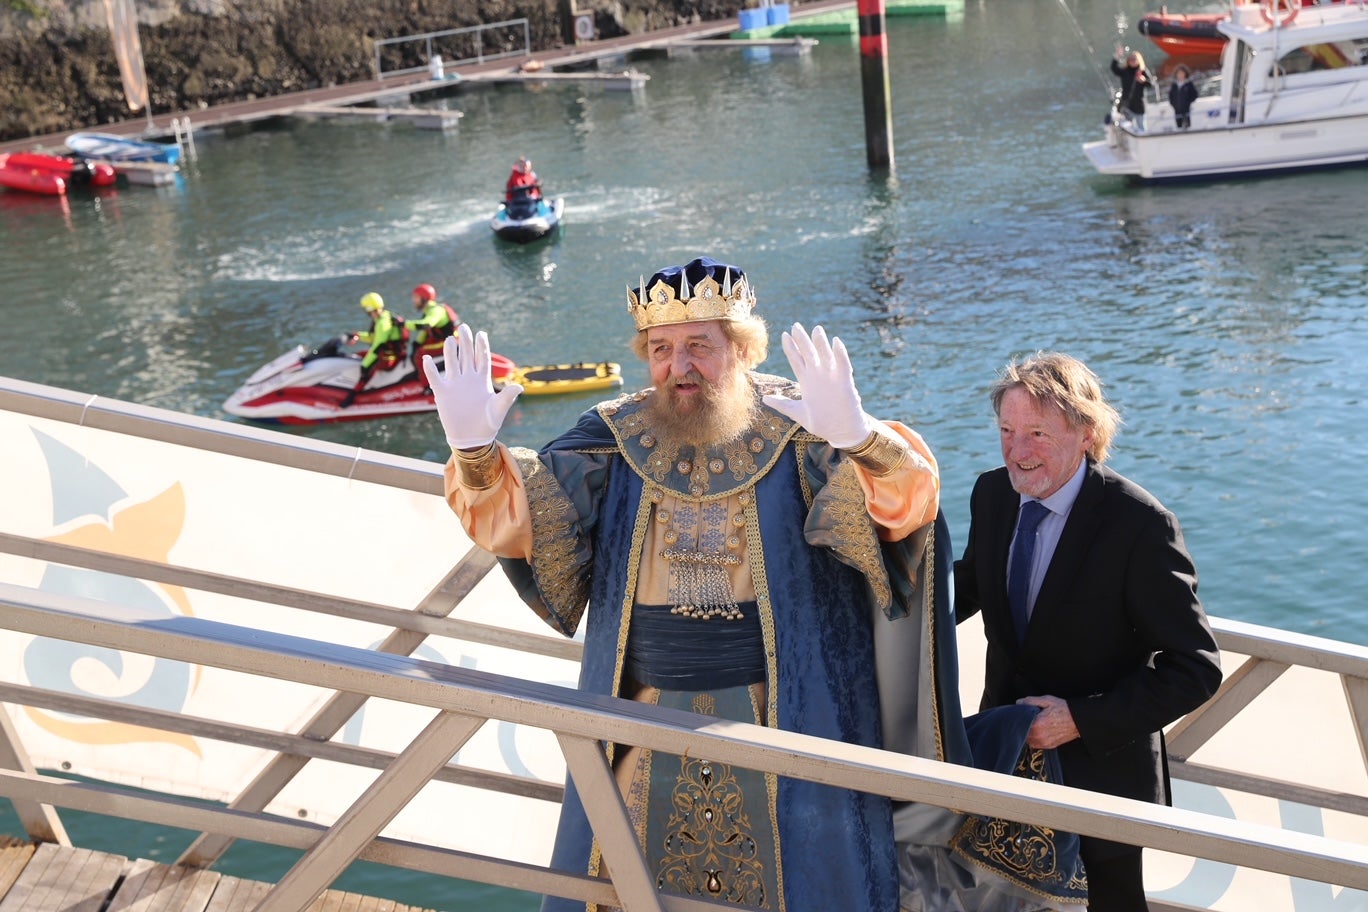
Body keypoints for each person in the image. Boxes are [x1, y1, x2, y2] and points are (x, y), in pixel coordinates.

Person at [425, 256, 957, 912]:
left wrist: (860, 438)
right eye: (661, 349)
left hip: (783, 714)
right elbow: (526, 522)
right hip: (644, 713)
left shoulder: (803, 427)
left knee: (797, 881)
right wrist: (475, 450)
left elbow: (907, 506)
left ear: (741, 350)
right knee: (629, 882)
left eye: (699, 347)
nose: (679, 366)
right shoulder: (613, 436)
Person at [954, 352, 1223, 911]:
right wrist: (877, 608)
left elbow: (1195, 669)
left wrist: (1077, 719)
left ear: (1086, 434)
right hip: (1006, 760)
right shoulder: (992, 493)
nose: (1017, 452)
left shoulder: (1142, 526)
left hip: (1103, 781)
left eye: (1036, 434)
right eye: (1006, 430)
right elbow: (970, 588)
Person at [341, 292, 407, 408]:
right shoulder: (383, 316)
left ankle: (352, 396)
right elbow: (374, 337)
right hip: (388, 354)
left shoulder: (382, 323)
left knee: (368, 369)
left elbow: (378, 345)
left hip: (389, 358)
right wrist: (358, 335)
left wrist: (365, 365)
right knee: (359, 355)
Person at [407, 283, 460, 374]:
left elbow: (426, 325)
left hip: (450, 342)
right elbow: (425, 332)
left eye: (416, 297)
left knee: (419, 355)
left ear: (424, 298)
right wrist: (417, 343)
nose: (414, 300)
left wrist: (404, 324)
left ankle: (427, 385)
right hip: (447, 341)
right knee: (418, 348)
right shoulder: (429, 310)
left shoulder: (435, 310)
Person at [1111, 47, 1153, 132]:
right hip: (1127, 104)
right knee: (1127, 126)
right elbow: (1114, 68)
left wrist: (1143, 80)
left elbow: (1151, 84)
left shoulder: (1142, 72)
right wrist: (1117, 56)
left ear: (1139, 60)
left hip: (1139, 105)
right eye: (1130, 59)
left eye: (1134, 59)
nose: (1132, 61)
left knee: (1141, 127)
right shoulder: (1125, 71)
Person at [1169, 65, 1198, 130]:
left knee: (1187, 125)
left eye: (1182, 73)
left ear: (1185, 74)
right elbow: (1171, 96)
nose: (1180, 75)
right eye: (1178, 73)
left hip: (1186, 109)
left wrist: (1188, 102)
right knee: (1178, 126)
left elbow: (1194, 95)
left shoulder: (1188, 84)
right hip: (1177, 109)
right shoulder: (1174, 85)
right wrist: (1173, 104)